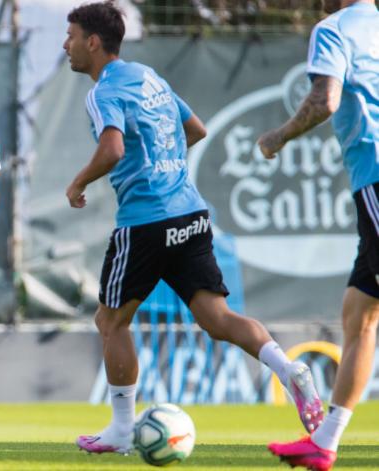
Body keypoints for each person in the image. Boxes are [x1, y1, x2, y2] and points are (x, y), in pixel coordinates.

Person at [63, 1, 324, 455]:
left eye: (70, 36)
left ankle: (122, 429)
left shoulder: (102, 91)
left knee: (110, 320)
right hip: (191, 213)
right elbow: (197, 129)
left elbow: (113, 149)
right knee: (217, 319)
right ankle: (288, 369)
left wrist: (79, 181)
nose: (65, 45)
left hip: (145, 223)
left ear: (92, 42)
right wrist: (164, 170)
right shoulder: (150, 78)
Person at [257, 1, 378, 469]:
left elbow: (324, 100)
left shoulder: (335, 29)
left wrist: (279, 137)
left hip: (376, 172)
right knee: (359, 311)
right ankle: (325, 441)